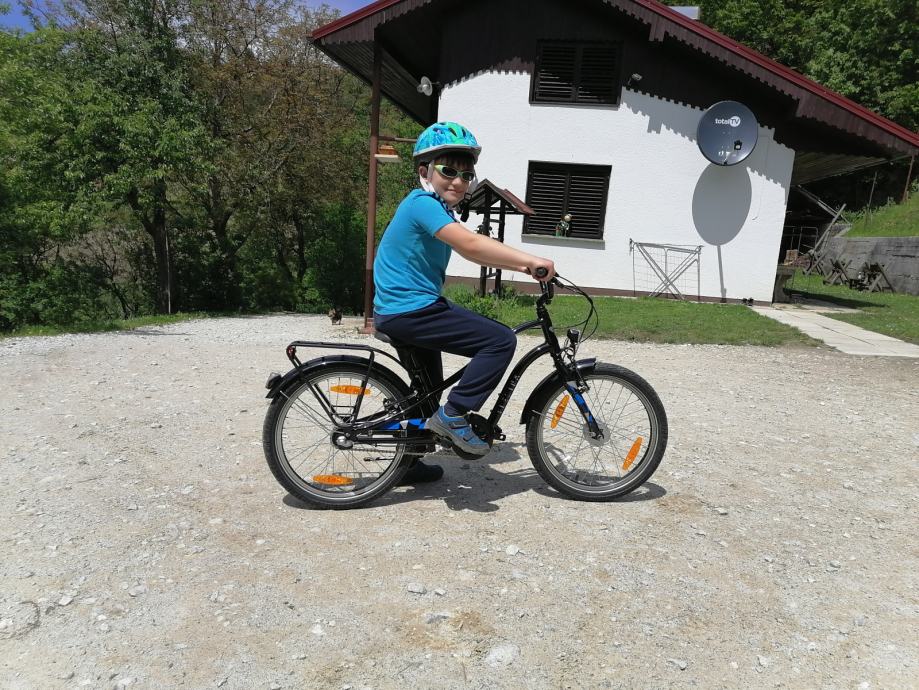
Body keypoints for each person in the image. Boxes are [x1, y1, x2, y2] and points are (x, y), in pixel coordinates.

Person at [373, 121, 555, 484]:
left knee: (427, 392)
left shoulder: (436, 210)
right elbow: (471, 245)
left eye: (467, 175)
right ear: (424, 172)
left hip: (403, 309)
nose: (458, 181)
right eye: (448, 171)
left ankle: (408, 462)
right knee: (500, 340)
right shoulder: (422, 204)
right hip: (410, 308)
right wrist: (530, 261)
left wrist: (521, 265)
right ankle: (454, 415)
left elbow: (471, 250)